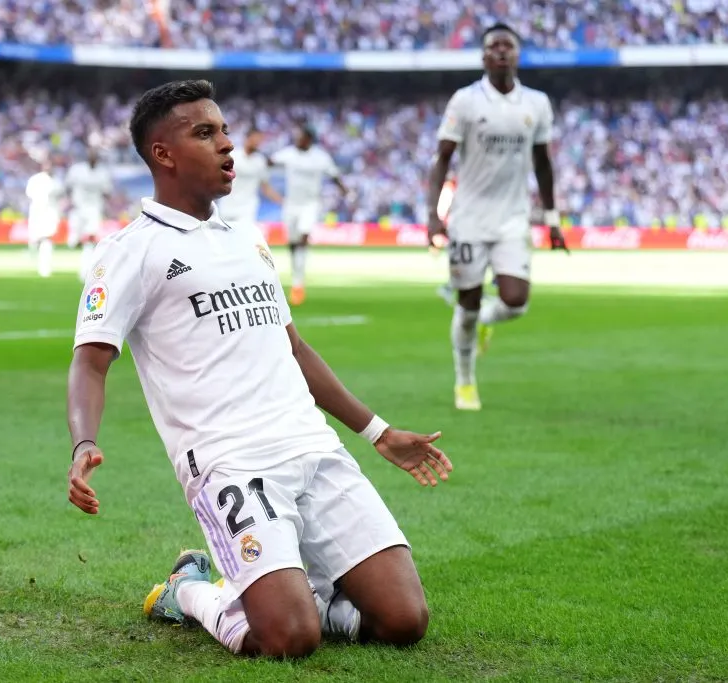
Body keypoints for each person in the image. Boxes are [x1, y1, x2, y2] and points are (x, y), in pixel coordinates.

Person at [66, 80, 453, 659]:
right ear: (162, 155)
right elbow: (90, 362)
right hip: (230, 461)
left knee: (404, 620)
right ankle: (190, 589)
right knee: (287, 639)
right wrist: (84, 443)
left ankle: (299, 593)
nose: (227, 145)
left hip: (311, 447)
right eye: (205, 133)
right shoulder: (130, 252)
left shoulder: (248, 240)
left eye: (224, 130)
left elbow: (294, 350)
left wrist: (378, 433)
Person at [425, 23, 568, 411]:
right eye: (494, 46)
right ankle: (465, 381)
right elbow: (442, 159)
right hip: (469, 218)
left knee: (516, 300)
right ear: (484, 56)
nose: (501, 51)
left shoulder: (536, 103)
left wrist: (552, 219)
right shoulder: (465, 101)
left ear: (518, 55)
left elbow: (543, 163)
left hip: (513, 219)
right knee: (466, 303)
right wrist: (433, 215)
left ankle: (491, 318)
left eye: (508, 45)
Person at [270, 125, 348, 306]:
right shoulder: (288, 153)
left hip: (310, 204)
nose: (297, 140)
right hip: (291, 204)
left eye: (301, 137)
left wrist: (345, 191)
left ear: (309, 139)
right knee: (292, 243)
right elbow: (269, 162)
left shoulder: (320, 157)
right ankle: (296, 272)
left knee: (304, 237)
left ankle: (298, 283)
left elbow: (334, 175)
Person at [215, 126, 283, 236]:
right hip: (228, 205)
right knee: (225, 239)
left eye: (260, 140)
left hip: (247, 207)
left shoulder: (260, 161)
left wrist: (281, 200)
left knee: (244, 236)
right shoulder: (233, 156)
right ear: (247, 138)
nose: (258, 142)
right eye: (256, 139)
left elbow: (265, 187)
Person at [65, 147, 114, 281]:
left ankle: (85, 271)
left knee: (90, 240)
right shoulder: (77, 170)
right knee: (74, 241)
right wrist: (70, 201)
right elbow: (67, 187)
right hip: (78, 209)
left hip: (94, 209)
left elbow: (107, 192)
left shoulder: (103, 173)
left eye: (95, 155)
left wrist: (109, 207)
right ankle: (75, 242)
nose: (93, 157)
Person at [25, 160, 63, 278]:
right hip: (37, 212)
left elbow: (61, 195)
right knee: (35, 240)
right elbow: (29, 194)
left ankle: (45, 268)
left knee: (47, 239)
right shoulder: (36, 179)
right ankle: (35, 256)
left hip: (50, 213)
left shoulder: (57, 181)